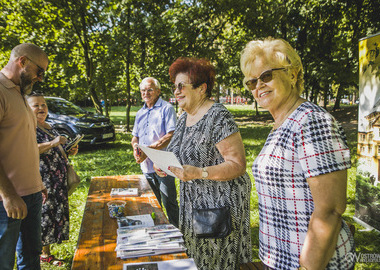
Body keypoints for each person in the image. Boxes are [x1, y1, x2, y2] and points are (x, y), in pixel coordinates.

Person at [240, 37, 355, 270]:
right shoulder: (281, 123)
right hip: (280, 259)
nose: (258, 86)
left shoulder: (312, 121)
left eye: (266, 76)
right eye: (252, 82)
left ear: (292, 75)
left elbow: (330, 209)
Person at [158, 57, 252, 269]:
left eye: (181, 86)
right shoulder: (183, 117)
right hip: (193, 206)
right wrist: (163, 165)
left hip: (220, 209)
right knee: (197, 261)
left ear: (202, 88)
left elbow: (237, 164)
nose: (176, 91)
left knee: (217, 263)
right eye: (174, 87)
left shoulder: (218, 116)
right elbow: (175, 153)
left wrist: (200, 172)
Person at [0, 43, 48, 269]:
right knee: (4, 261)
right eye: (40, 72)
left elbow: (23, 144)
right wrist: (8, 195)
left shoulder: (20, 94)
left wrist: (36, 183)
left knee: (31, 257)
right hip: (6, 200)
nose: (40, 78)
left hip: (32, 193)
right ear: (23, 62)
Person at [26, 93, 78, 266]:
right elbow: (30, 149)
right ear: (27, 108)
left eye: (43, 105)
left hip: (57, 178)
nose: (41, 108)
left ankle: (47, 251)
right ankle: (43, 254)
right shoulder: (27, 127)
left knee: (55, 212)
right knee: (45, 214)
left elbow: (58, 146)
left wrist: (69, 149)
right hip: (43, 179)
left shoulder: (50, 126)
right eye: (36, 105)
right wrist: (54, 143)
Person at [131, 77, 179, 227]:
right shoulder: (140, 113)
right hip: (146, 166)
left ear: (158, 91)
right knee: (151, 203)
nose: (146, 93)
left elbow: (171, 135)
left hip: (163, 164)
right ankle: (158, 232)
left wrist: (148, 151)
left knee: (169, 202)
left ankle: (177, 233)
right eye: (143, 90)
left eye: (150, 89)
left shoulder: (167, 108)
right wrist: (135, 148)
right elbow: (135, 137)